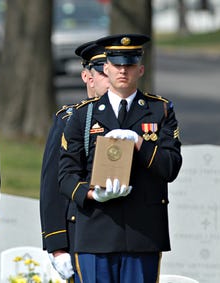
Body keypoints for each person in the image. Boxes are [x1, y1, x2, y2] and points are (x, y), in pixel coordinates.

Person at [58, 34, 182, 283]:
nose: (123, 70)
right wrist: (93, 193)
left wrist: (139, 142)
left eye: (130, 64)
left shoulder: (160, 110)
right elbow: (66, 176)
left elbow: (170, 167)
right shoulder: (82, 115)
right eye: (117, 65)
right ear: (106, 68)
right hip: (96, 230)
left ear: (141, 69)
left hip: (143, 233)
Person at [39, 41, 109, 280]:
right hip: (80, 228)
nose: (108, 77)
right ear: (87, 77)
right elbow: (52, 186)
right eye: (101, 71)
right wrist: (57, 246)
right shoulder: (69, 119)